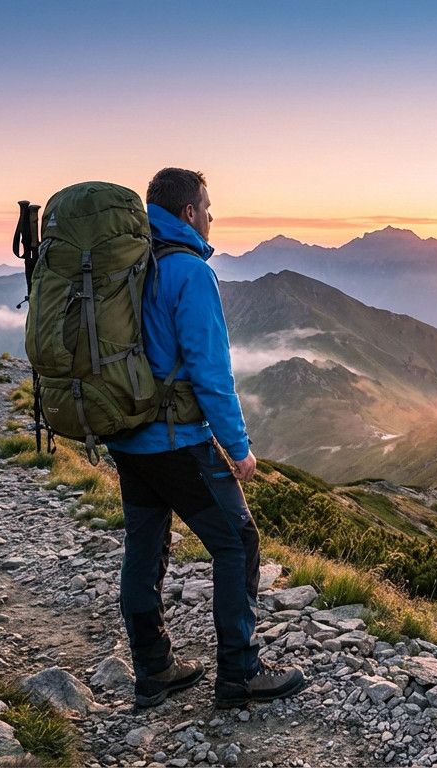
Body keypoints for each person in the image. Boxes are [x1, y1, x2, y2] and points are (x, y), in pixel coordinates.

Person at [106, 167, 304, 708]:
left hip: (124, 434)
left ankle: (153, 668)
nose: (213, 217)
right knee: (236, 541)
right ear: (189, 212)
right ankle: (240, 675)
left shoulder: (127, 262)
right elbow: (210, 371)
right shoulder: (189, 272)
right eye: (208, 207)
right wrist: (237, 448)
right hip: (175, 440)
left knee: (144, 544)